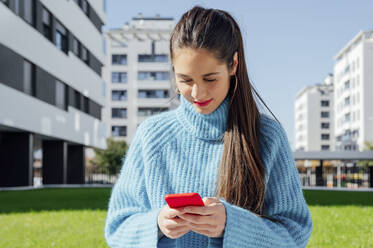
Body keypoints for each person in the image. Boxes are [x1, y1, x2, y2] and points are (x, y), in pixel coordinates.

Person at [104, 5, 313, 248]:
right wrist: (157, 225)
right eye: (185, 80)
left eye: (210, 79)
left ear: (233, 64)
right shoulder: (151, 136)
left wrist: (232, 226)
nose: (197, 93)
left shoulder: (267, 137)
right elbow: (117, 229)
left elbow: (295, 233)